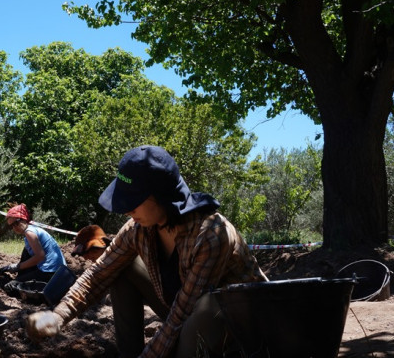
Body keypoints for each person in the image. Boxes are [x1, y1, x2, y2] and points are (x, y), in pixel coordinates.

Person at [26, 145, 269, 358]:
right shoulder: (139, 228)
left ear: (162, 196)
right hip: (182, 313)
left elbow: (181, 317)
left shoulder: (211, 234)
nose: (126, 210)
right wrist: (57, 317)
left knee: (204, 312)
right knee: (119, 267)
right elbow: (98, 274)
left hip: (238, 326)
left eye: (134, 200)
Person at [0, 203, 67, 296]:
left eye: (16, 223)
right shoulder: (33, 229)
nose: (14, 227)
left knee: (9, 287)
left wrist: (16, 267)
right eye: (11, 226)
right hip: (59, 271)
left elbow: (40, 257)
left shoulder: (29, 233)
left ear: (24, 219)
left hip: (50, 273)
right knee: (26, 251)